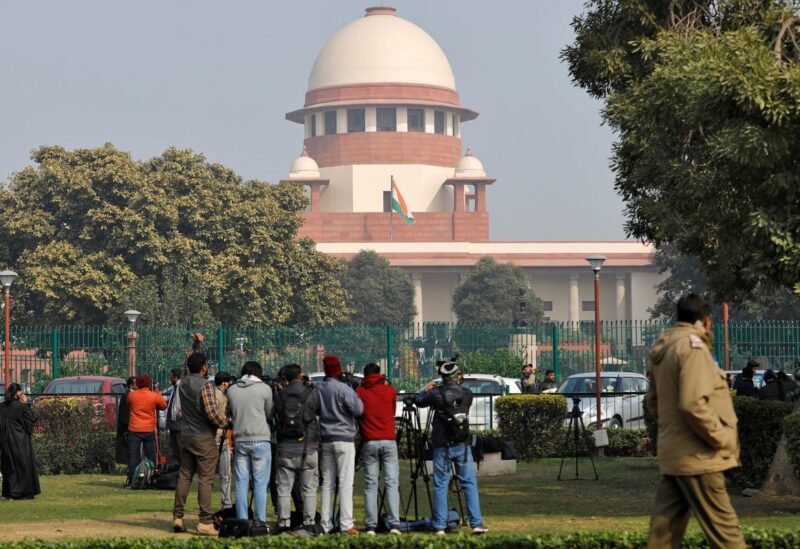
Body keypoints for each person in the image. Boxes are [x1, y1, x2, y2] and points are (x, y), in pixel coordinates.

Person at [646, 293, 744, 548]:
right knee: (727, 535)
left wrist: (674, 432)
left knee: (662, 537)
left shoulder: (665, 347)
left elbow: (653, 403)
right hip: (700, 457)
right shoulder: (692, 347)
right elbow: (693, 404)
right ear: (707, 320)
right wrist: (721, 438)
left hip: (676, 454)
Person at [416, 361, 488, 536]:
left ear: (441, 376)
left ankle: (439, 526)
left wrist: (427, 387)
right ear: (457, 376)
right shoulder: (467, 393)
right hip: (462, 444)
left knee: (441, 484)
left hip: (442, 445)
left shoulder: (435, 394)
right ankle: (476, 523)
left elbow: (418, 401)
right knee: (469, 483)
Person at [172, 352, 228, 536]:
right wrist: (226, 422)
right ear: (204, 366)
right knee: (206, 479)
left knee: (185, 475)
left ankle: (178, 517)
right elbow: (212, 414)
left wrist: (195, 345)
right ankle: (204, 521)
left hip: (186, 435)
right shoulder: (205, 385)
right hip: (204, 438)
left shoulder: (183, 382)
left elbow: (186, 364)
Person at [317, 355, 363, 535]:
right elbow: (358, 409)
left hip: (326, 438)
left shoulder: (319, 389)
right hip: (344, 438)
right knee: (345, 482)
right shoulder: (344, 388)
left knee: (327, 483)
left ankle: (326, 524)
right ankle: (345, 523)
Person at [274, 364, 321, 535]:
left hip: (285, 448)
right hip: (307, 448)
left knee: (284, 489)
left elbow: (277, 414)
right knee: (309, 488)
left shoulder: (281, 394)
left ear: (285, 378)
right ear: (301, 375)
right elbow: (319, 411)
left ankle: (284, 521)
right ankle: (308, 522)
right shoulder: (311, 392)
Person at [226, 361, 274, 527]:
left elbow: (230, 412)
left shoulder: (231, 390)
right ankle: (260, 521)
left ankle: (242, 521)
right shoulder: (265, 389)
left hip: (240, 439)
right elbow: (269, 413)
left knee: (241, 483)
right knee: (260, 483)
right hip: (261, 438)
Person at [356, 363, 401, 535]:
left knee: (370, 484)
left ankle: (371, 525)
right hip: (388, 439)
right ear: (380, 375)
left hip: (370, 440)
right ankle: (394, 523)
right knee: (391, 482)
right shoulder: (390, 391)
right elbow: (391, 412)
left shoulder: (360, 391)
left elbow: (358, 412)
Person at [0, 383, 40, 500]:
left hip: (5, 440)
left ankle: (8, 492)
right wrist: (27, 404)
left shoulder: (1, 407)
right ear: (18, 393)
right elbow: (32, 419)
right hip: (19, 440)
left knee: (8, 465)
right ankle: (19, 493)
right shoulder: (21, 407)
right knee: (22, 466)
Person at [126, 374, 167, 484]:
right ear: (149, 384)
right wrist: (158, 393)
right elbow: (163, 406)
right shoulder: (153, 395)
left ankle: (132, 478)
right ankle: (151, 476)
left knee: (133, 455)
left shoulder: (132, 395)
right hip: (149, 429)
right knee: (151, 454)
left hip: (134, 428)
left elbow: (129, 404)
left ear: (138, 383)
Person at [213, 371, 233, 511]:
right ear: (225, 383)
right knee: (226, 474)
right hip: (221, 436)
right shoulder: (221, 396)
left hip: (213, 437)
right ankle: (226, 504)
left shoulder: (212, 393)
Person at [165, 368, 184, 461]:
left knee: (180, 449)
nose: (170, 379)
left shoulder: (182, 386)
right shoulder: (175, 387)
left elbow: (187, 401)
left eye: (171, 377)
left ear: (175, 377)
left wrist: (182, 412)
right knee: (174, 449)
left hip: (179, 424)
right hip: (173, 424)